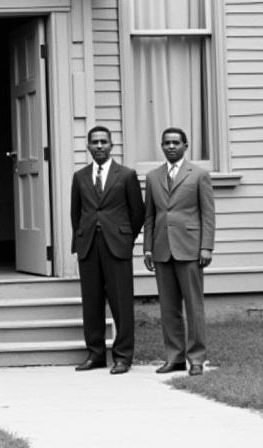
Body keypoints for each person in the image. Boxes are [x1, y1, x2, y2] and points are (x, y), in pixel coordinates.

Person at [70, 124, 144, 374]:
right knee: (91, 302)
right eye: (95, 142)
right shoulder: (80, 177)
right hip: (89, 245)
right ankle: (95, 354)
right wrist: (81, 239)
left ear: (111, 145)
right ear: (88, 146)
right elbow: (76, 213)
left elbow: (138, 213)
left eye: (103, 142)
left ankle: (123, 356)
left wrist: (126, 238)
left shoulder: (126, 175)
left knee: (121, 302)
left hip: (117, 245)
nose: (99, 146)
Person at [143, 126, 216, 375]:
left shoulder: (199, 175)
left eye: (176, 142)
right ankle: (174, 357)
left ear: (186, 146)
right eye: (166, 143)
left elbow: (208, 214)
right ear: (161, 146)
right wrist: (147, 248)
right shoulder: (153, 177)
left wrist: (206, 246)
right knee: (168, 306)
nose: (171, 146)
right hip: (162, 249)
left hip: (190, 249)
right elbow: (150, 216)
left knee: (194, 306)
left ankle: (196, 359)